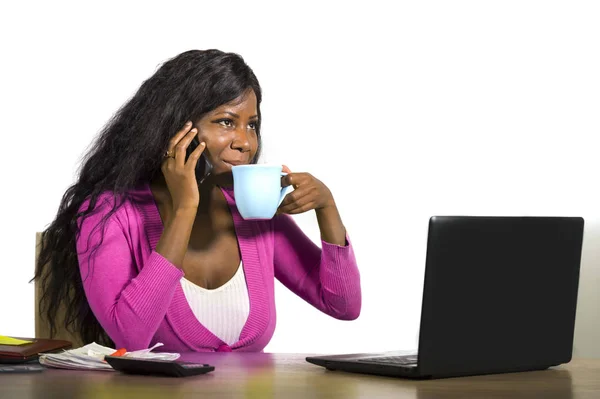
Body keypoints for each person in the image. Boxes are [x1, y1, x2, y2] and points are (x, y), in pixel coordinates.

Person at [34, 49, 361, 352]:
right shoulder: (109, 213)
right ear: (177, 126)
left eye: (252, 125)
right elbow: (131, 338)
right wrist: (184, 209)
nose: (245, 142)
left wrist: (327, 208)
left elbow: (343, 306)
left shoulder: (252, 211)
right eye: (226, 122)